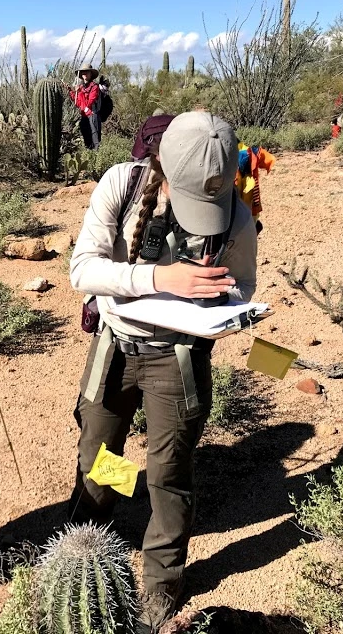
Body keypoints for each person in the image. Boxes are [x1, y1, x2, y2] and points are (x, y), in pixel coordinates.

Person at [68, 112, 257, 633]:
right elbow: (82, 268)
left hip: (178, 357)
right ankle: (84, 556)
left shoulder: (235, 217)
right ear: (161, 165)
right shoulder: (121, 184)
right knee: (98, 455)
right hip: (115, 348)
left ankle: (162, 579)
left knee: (169, 471)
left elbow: (243, 287)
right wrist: (160, 278)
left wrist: (226, 310)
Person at [67, 63, 102, 150]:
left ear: (91, 74)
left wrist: (80, 92)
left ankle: (96, 159)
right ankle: (89, 157)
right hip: (84, 116)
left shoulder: (94, 87)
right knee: (87, 140)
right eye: (83, 72)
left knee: (95, 140)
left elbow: (89, 102)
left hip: (92, 115)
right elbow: (78, 103)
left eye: (86, 72)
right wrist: (71, 91)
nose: (84, 74)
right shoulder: (81, 87)